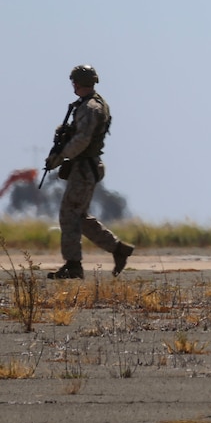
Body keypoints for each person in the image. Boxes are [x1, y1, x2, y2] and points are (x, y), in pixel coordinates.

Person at [44, 65, 135, 279]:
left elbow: (82, 139)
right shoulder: (89, 105)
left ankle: (73, 265)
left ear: (77, 83)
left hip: (84, 167)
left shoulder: (90, 107)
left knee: (69, 214)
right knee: (79, 216)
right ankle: (118, 249)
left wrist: (60, 156)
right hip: (85, 166)